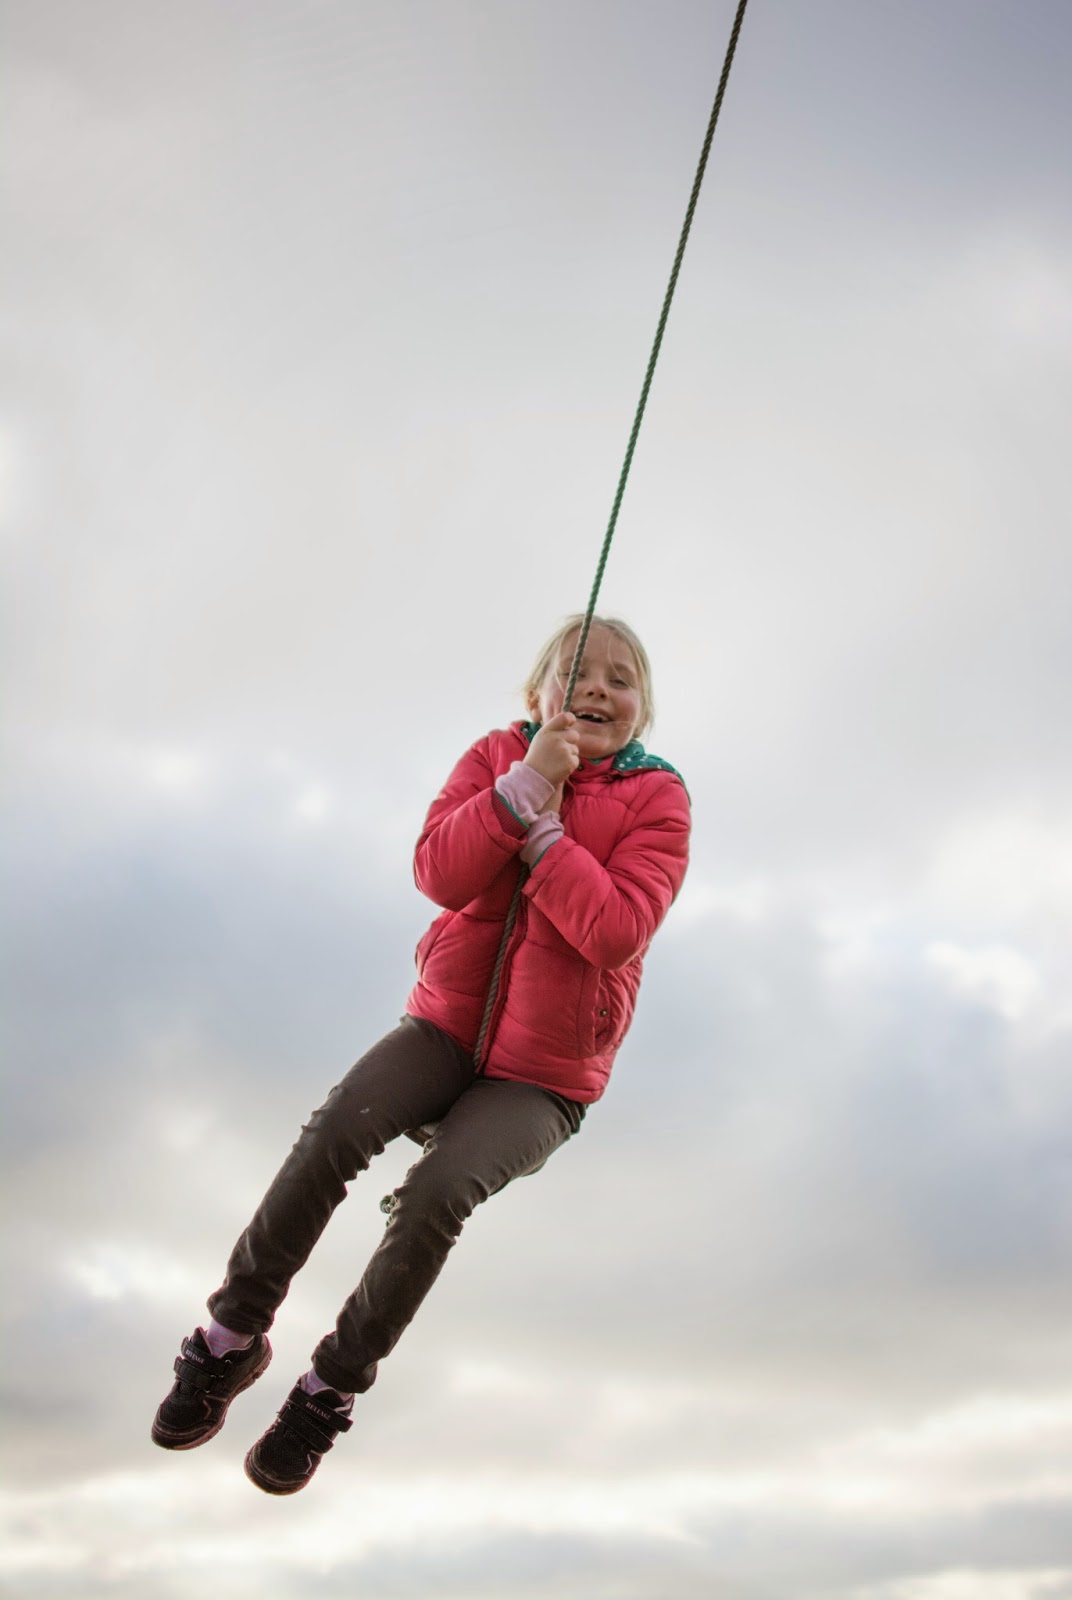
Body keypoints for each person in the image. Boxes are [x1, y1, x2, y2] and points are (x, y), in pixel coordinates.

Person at [152, 614, 690, 1494]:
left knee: (438, 1192)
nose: (598, 688)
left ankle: (329, 1387)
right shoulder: (495, 758)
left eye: (622, 679)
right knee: (335, 1132)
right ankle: (230, 1337)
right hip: (443, 1030)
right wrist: (522, 791)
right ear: (536, 697)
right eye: (578, 673)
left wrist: (550, 837)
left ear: (642, 712)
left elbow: (618, 930)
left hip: (542, 1079)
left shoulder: (658, 800)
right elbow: (440, 873)